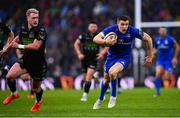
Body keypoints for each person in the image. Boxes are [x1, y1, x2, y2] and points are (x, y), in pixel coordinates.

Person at [92, 15, 153, 109]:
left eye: (126, 24)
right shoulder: (111, 29)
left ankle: (113, 96)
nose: (125, 27)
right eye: (122, 24)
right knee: (105, 80)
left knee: (113, 72)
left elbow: (148, 39)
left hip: (124, 58)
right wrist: (106, 42)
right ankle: (100, 98)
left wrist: (150, 56)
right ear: (118, 23)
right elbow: (95, 38)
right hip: (111, 58)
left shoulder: (132, 31)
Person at [0, 8, 47, 112]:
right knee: (9, 77)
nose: (36, 20)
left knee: (35, 89)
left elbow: (36, 46)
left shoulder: (41, 30)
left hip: (38, 64)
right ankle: (14, 94)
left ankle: (38, 101)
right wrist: (6, 49)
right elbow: (18, 37)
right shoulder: (23, 27)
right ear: (27, 18)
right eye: (33, 18)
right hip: (25, 60)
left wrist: (19, 46)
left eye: (37, 18)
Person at [74, 22, 108, 102]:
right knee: (85, 78)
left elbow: (107, 45)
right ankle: (94, 76)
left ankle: (84, 96)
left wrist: (101, 53)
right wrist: (79, 54)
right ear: (88, 27)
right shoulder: (83, 36)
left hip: (94, 59)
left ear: (97, 27)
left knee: (88, 77)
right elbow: (76, 44)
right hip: (84, 59)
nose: (93, 28)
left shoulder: (100, 36)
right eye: (92, 26)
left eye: (95, 26)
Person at [153, 27, 179, 96]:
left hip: (168, 61)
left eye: (164, 30)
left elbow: (177, 47)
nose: (162, 32)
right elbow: (155, 49)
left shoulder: (170, 39)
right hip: (160, 60)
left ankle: (170, 74)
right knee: (157, 74)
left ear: (166, 31)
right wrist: (153, 54)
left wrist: (175, 58)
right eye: (161, 30)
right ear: (159, 31)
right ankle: (158, 92)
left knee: (166, 77)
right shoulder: (157, 40)